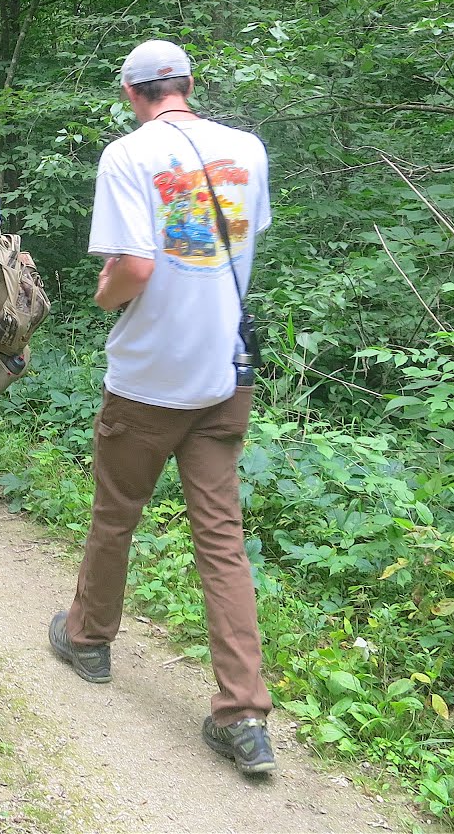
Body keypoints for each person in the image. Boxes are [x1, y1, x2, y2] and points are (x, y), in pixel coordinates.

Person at [46, 38, 277, 777]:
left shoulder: (128, 155)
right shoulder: (248, 149)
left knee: (117, 514)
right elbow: (238, 246)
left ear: (131, 92)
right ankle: (243, 715)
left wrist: (102, 294)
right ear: (186, 84)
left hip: (148, 378)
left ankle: (88, 640)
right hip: (223, 376)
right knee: (221, 538)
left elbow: (135, 267)